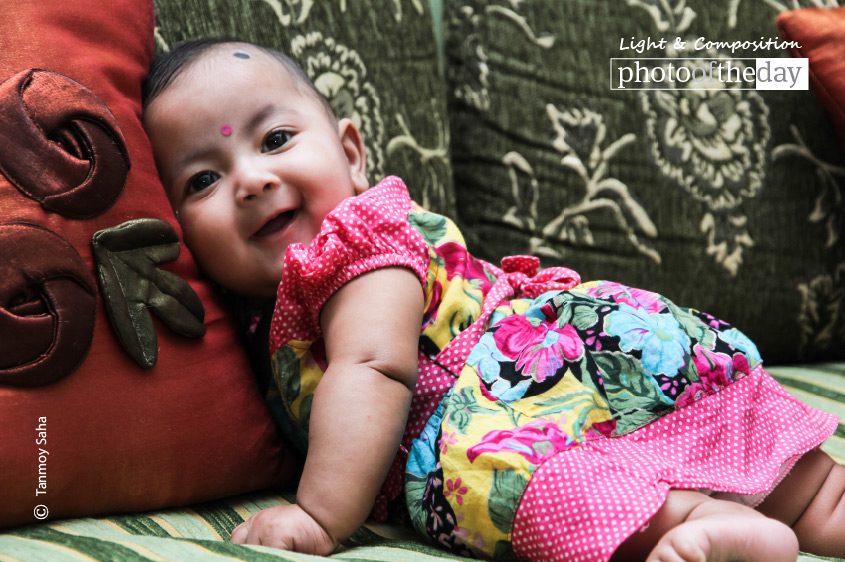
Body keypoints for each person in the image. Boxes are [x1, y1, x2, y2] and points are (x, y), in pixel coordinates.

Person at [142, 38, 845, 562]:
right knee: (802, 489)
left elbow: (373, 368)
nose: (252, 179)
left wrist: (319, 516)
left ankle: (694, 526)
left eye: (276, 139)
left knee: (545, 492)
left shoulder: (353, 247)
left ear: (352, 153)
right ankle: (806, 508)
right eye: (203, 180)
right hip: (590, 361)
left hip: (509, 396)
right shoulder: (261, 313)